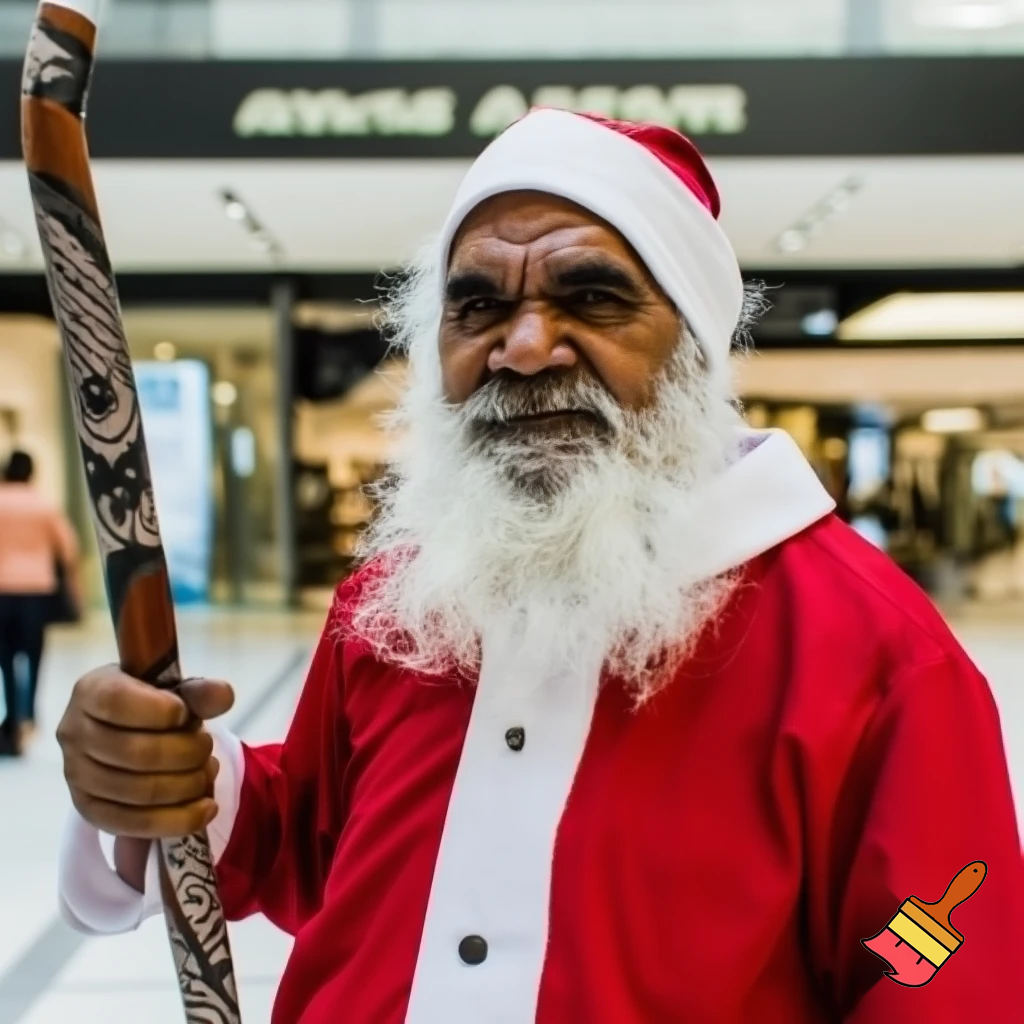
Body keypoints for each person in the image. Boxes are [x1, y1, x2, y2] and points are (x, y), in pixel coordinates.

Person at [54, 111, 1023, 1022]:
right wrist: (175, 778)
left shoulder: (878, 656)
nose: (522, 348)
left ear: (694, 342)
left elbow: (938, 974)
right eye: (477, 304)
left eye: (591, 296)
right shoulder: (401, 595)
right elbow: (319, 841)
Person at [0, 448, 81, 756]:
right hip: (36, 591)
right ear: (31, 473)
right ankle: (29, 715)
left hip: (2, 591)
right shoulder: (44, 505)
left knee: (6, 658)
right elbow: (68, 549)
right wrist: (74, 588)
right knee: (34, 656)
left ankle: (11, 718)